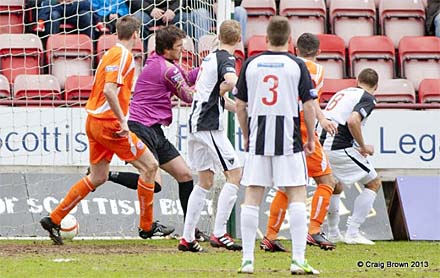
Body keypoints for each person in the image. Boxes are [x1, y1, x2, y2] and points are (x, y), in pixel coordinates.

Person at [40, 16, 166, 245]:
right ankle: (147, 227)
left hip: (93, 121)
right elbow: (109, 90)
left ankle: (55, 218)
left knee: (98, 176)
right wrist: (123, 121)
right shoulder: (125, 56)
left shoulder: (109, 53)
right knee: (151, 166)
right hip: (110, 124)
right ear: (137, 34)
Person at [235, 16, 319, 275]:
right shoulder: (297, 65)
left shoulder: (251, 64)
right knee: (296, 194)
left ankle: (247, 260)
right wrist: (311, 137)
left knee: (252, 197)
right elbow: (308, 105)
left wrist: (247, 135)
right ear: (290, 40)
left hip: (259, 138)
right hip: (289, 140)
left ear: (266, 39)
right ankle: (298, 260)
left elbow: (239, 105)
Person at [260, 32, 340, 252]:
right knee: (327, 181)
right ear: (319, 51)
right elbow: (310, 99)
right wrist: (322, 120)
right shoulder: (317, 70)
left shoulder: (285, 64)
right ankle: (313, 232)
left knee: (288, 183)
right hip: (303, 129)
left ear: (295, 49)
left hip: (280, 126)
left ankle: (270, 236)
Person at [127, 25, 206, 240]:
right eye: (179, 47)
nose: (182, 50)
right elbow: (188, 96)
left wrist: (207, 66)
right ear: (166, 49)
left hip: (154, 129)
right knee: (156, 183)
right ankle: (105, 176)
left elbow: (187, 78)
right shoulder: (166, 69)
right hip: (141, 127)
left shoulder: (161, 62)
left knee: (185, 175)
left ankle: (191, 230)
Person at [178, 20, 242, 253]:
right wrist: (237, 89)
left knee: (205, 180)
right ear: (238, 39)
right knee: (235, 174)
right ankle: (219, 232)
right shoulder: (226, 58)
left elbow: (219, 96)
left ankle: (186, 238)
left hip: (196, 122)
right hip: (208, 125)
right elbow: (231, 82)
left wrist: (244, 109)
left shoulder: (209, 58)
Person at [319, 68, 381, 245]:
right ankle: (353, 232)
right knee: (374, 183)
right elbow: (353, 121)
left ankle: (333, 232)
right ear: (376, 86)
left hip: (323, 144)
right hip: (338, 146)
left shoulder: (343, 92)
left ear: (356, 80)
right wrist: (363, 146)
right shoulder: (367, 98)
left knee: (335, 186)